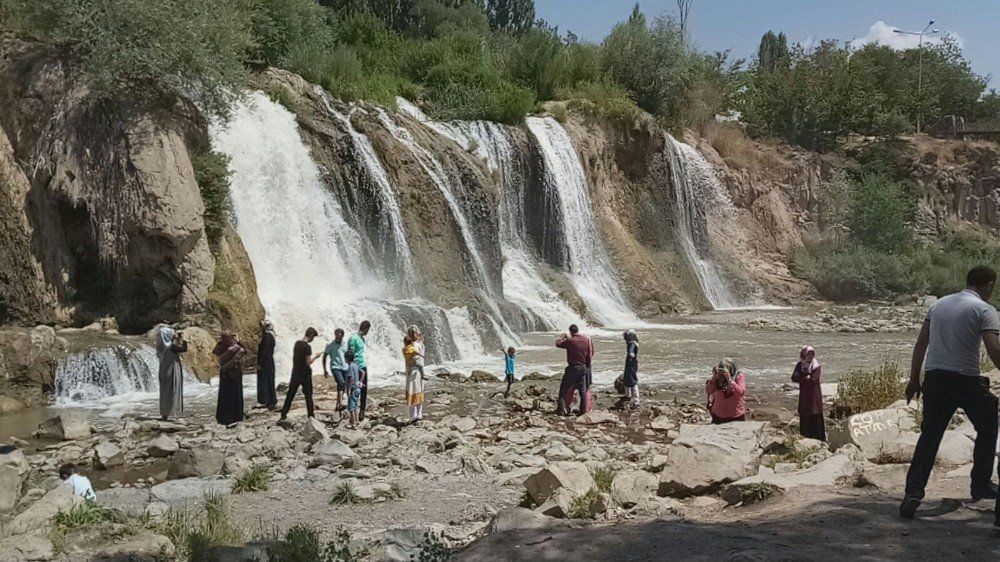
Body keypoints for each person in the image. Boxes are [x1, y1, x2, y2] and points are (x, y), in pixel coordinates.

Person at [900, 266, 1000, 520]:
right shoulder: (985, 310)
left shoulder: (939, 305)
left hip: (934, 379)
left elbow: (921, 343)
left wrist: (914, 379)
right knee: (988, 424)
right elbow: (993, 349)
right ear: (989, 286)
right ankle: (980, 484)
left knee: (930, 436)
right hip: (966, 380)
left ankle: (913, 492)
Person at [279, 327, 323, 423]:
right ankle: (311, 417)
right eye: (313, 337)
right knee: (308, 396)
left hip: (295, 373)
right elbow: (307, 362)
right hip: (305, 374)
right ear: (311, 335)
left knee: (290, 394)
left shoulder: (297, 344)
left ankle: (283, 414)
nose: (313, 340)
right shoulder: (307, 347)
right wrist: (316, 356)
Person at [556, 325, 593, 416]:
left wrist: (562, 337)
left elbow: (558, 344)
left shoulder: (570, 340)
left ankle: (561, 410)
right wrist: (587, 365)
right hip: (583, 367)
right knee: (583, 391)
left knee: (564, 389)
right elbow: (589, 354)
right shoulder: (585, 340)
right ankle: (583, 411)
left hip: (573, 367)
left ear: (571, 332)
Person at [791, 345, 825, 441]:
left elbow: (813, 380)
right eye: (808, 354)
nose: (810, 356)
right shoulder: (800, 365)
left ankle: (819, 440)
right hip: (804, 396)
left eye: (812, 354)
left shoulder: (816, 366)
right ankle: (805, 438)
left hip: (814, 396)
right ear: (804, 354)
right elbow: (794, 377)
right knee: (805, 415)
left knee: (815, 415)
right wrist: (805, 378)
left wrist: (802, 379)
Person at [214, 331, 247, 426]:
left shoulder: (221, 348)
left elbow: (215, 351)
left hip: (227, 373)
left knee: (227, 396)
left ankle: (225, 417)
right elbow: (244, 350)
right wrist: (238, 341)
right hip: (233, 373)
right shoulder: (235, 348)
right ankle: (235, 416)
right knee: (233, 395)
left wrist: (220, 342)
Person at [156, 325, 187, 421]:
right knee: (173, 390)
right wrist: (184, 339)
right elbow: (184, 349)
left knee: (164, 392)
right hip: (172, 371)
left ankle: (164, 413)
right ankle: (173, 411)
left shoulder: (160, 346)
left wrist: (174, 338)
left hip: (163, 371)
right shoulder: (171, 346)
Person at [706, 359, 746, 424]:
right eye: (721, 370)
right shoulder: (717, 378)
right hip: (719, 415)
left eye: (724, 371)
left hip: (736, 415)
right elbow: (709, 390)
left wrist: (730, 380)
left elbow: (740, 393)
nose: (722, 374)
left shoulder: (739, 376)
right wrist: (714, 378)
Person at [348, 321, 371, 420]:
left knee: (364, 388)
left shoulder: (362, 339)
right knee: (354, 388)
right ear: (365, 329)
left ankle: (362, 410)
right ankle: (354, 410)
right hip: (355, 366)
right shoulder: (353, 338)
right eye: (368, 330)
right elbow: (350, 353)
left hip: (363, 365)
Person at [323, 328, 348, 412]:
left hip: (345, 367)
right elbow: (324, 356)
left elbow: (349, 355)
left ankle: (337, 405)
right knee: (341, 383)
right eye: (336, 335)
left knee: (342, 385)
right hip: (335, 367)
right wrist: (325, 369)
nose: (337, 337)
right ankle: (340, 404)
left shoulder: (346, 344)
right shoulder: (331, 345)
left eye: (339, 336)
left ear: (342, 335)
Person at [403, 335, 424, 423]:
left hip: (411, 371)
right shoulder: (414, 347)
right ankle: (418, 414)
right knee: (417, 390)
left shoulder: (404, 349)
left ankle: (413, 415)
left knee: (412, 391)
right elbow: (417, 356)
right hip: (416, 371)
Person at [256, 321, 277, 410]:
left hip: (265, 362)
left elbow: (263, 351)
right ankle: (271, 400)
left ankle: (264, 400)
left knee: (264, 380)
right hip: (269, 361)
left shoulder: (267, 336)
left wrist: (259, 363)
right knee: (269, 380)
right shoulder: (272, 335)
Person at [622, 330, 640, 409]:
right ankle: (628, 395)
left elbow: (631, 351)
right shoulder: (633, 342)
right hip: (630, 363)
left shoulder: (632, 343)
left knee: (632, 381)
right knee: (627, 378)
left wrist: (631, 353)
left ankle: (636, 401)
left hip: (631, 363)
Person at [345, 351, 362, 429]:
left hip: (353, 389)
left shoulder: (350, 367)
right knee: (355, 406)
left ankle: (354, 423)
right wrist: (360, 381)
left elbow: (351, 378)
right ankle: (357, 421)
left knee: (351, 407)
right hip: (358, 388)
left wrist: (348, 389)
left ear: (347, 359)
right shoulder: (356, 365)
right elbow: (363, 372)